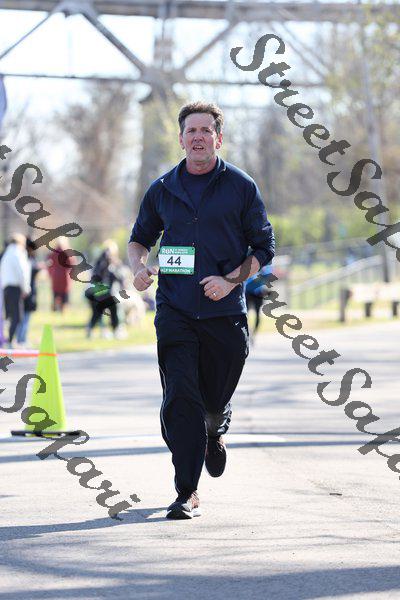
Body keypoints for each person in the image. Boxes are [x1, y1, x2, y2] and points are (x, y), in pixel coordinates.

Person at [128, 101, 275, 520]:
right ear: (181, 139)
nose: (197, 137)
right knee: (180, 398)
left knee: (212, 398)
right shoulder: (162, 188)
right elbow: (138, 240)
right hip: (174, 309)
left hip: (224, 313)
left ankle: (215, 425)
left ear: (218, 138)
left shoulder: (240, 186)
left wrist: (229, 280)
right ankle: (187, 491)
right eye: (191, 130)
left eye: (205, 130)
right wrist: (139, 269)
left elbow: (264, 247)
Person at [85, 240, 124, 339]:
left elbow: (120, 278)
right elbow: (96, 277)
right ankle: (95, 329)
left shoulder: (115, 263)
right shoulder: (101, 263)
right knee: (99, 311)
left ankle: (114, 329)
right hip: (100, 293)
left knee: (110, 310)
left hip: (108, 293)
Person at [0, 233, 31, 346]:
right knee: (17, 317)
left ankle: (9, 339)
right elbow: (22, 272)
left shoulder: (6, 254)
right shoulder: (17, 253)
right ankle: (11, 340)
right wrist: (25, 288)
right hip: (15, 288)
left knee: (10, 315)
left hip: (6, 288)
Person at [16, 238, 43, 346]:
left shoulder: (30, 258)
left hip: (30, 291)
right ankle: (21, 339)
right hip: (25, 292)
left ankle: (22, 338)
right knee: (23, 316)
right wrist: (38, 268)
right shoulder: (24, 258)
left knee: (26, 316)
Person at [245, 264, 273, 344]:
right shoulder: (250, 262)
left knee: (257, 314)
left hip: (258, 293)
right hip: (248, 292)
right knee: (245, 314)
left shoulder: (267, 266)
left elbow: (267, 276)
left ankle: (254, 334)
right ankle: (248, 331)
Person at [47, 237, 74, 312]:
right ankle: (62, 311)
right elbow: (72, 265)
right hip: (64, 277)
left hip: (55, 276)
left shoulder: (53, 252)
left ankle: (55, 310)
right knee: (64, 296)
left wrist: (50, 273)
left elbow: (49, 264)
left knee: (56, 295)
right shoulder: (67, 252)